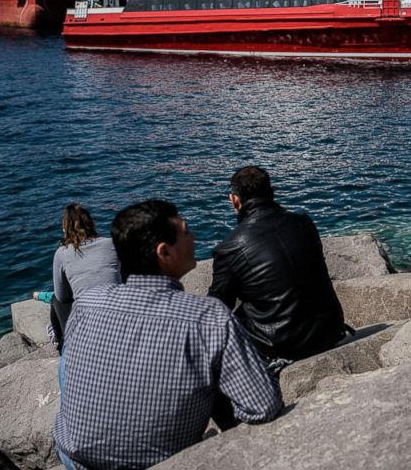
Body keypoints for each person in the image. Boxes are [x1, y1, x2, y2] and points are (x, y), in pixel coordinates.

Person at [54, 200, 282, 470]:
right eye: (185, 232)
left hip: (73, 456)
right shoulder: (208, 317)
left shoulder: (87, 303)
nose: (193, 236)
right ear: (164, 253)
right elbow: (262, 406)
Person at [208, 166, 347, 365]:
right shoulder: (304, 223)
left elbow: (217, 308)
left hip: (281, 345)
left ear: (234, 200)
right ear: (271, 193)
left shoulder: (230, 248)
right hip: (330, 330)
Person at [47, 203, 121, 352]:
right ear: (91, 224)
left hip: (91, 327)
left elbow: (61, 296)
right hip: (119, 316)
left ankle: (62, 344)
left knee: (55, 299)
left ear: (64, 228)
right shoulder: (112, 243)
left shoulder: (62, 253)